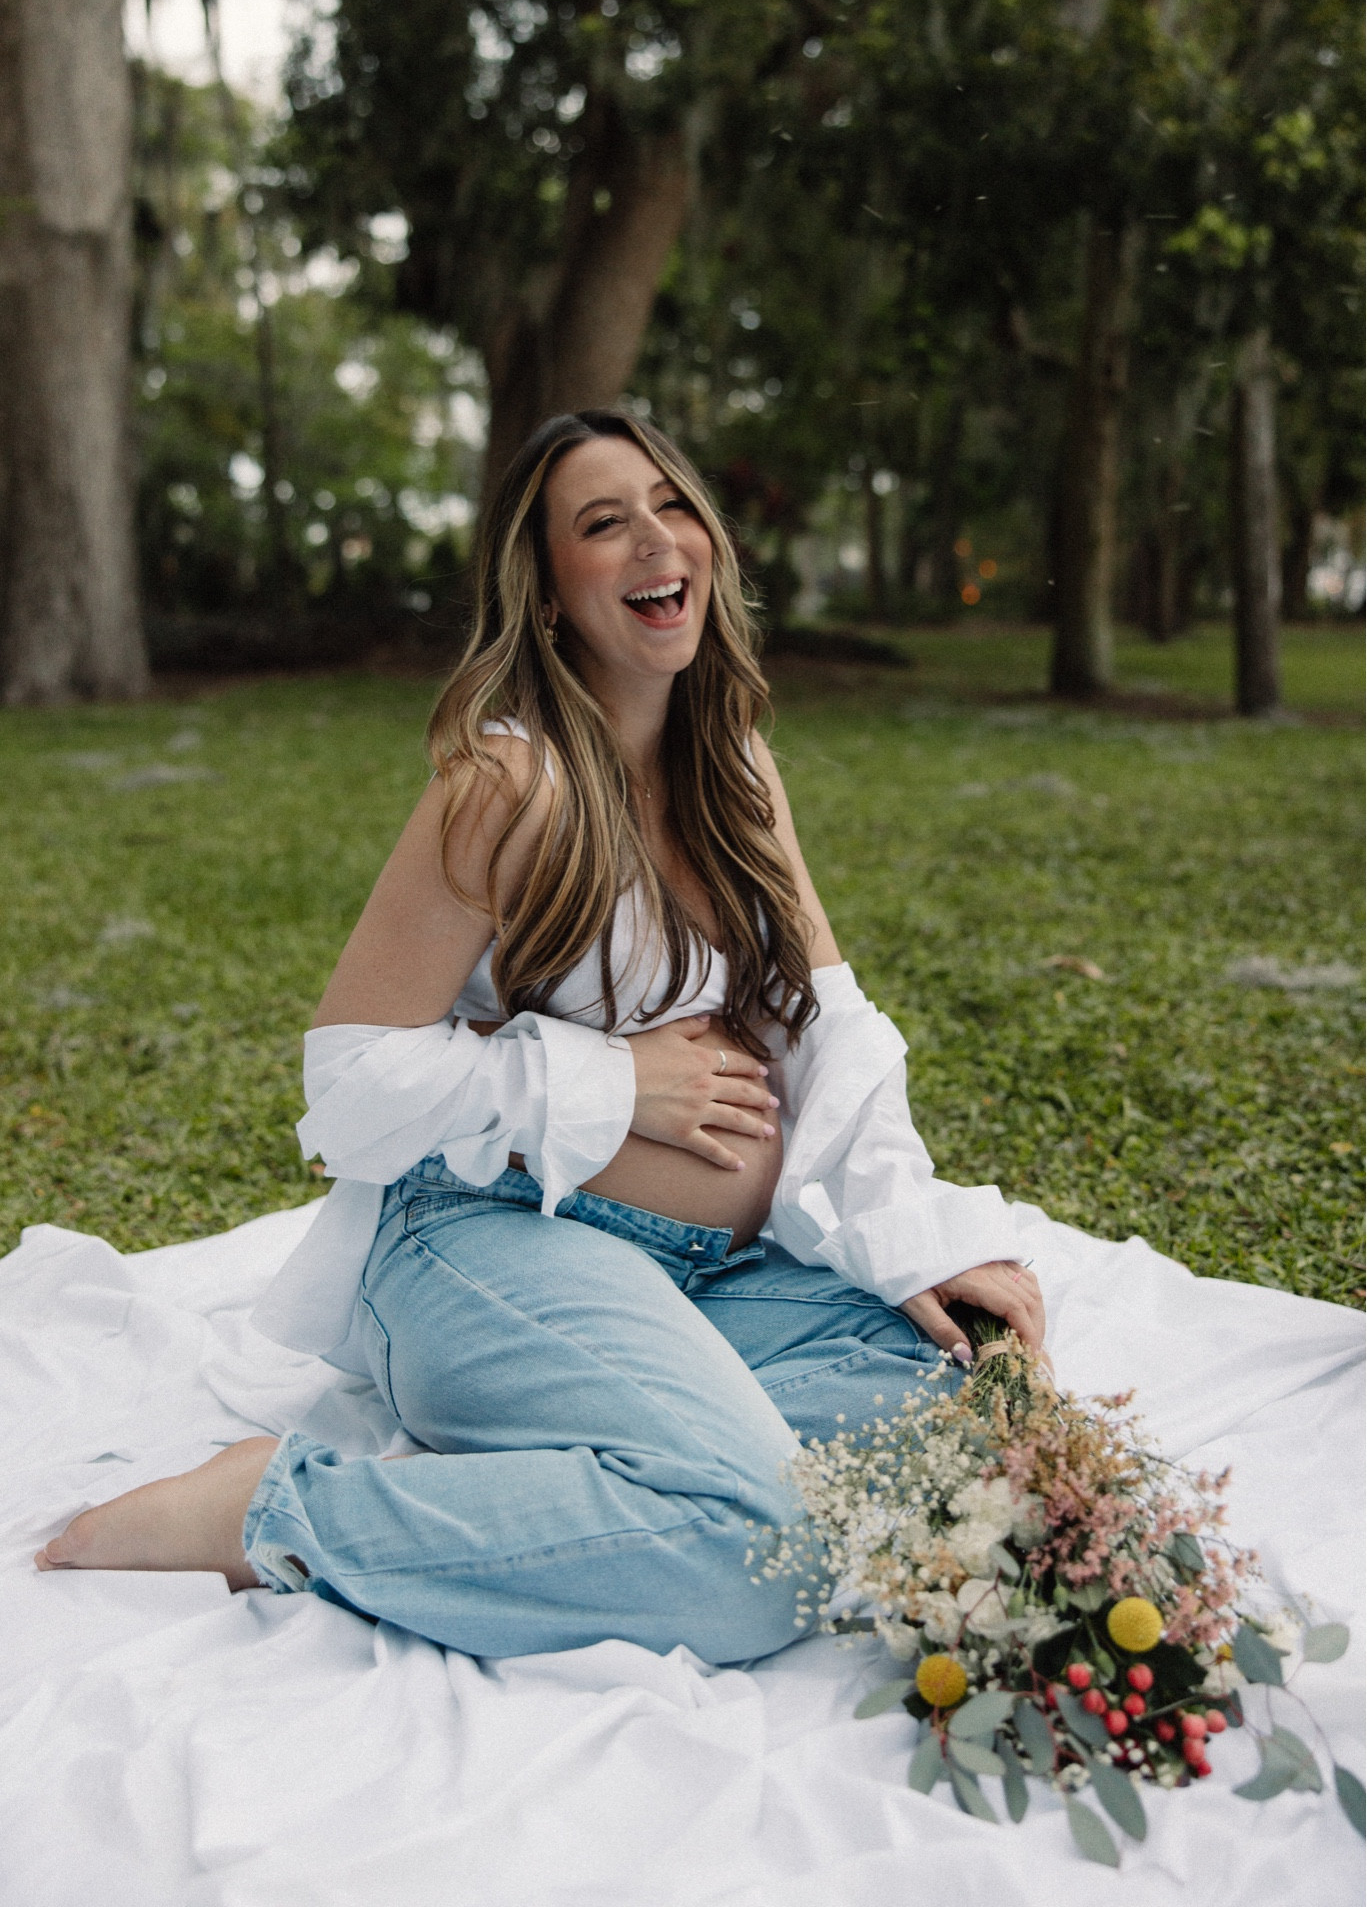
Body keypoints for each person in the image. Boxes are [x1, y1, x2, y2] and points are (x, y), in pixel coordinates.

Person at [35, 410, 1045, 1665]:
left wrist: (913, 1245)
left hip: (706, 1273)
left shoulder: (734, 766)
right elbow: (346, 1086)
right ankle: (275, 1506)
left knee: (975, 1400)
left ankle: (597, 1458)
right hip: (490, 1239)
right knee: (754, 1554)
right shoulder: (505, 785)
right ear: (551, 591)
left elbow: (828, 1026)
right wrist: (612, 1079)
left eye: (669, 504)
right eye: (601, 521)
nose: (651, 539)